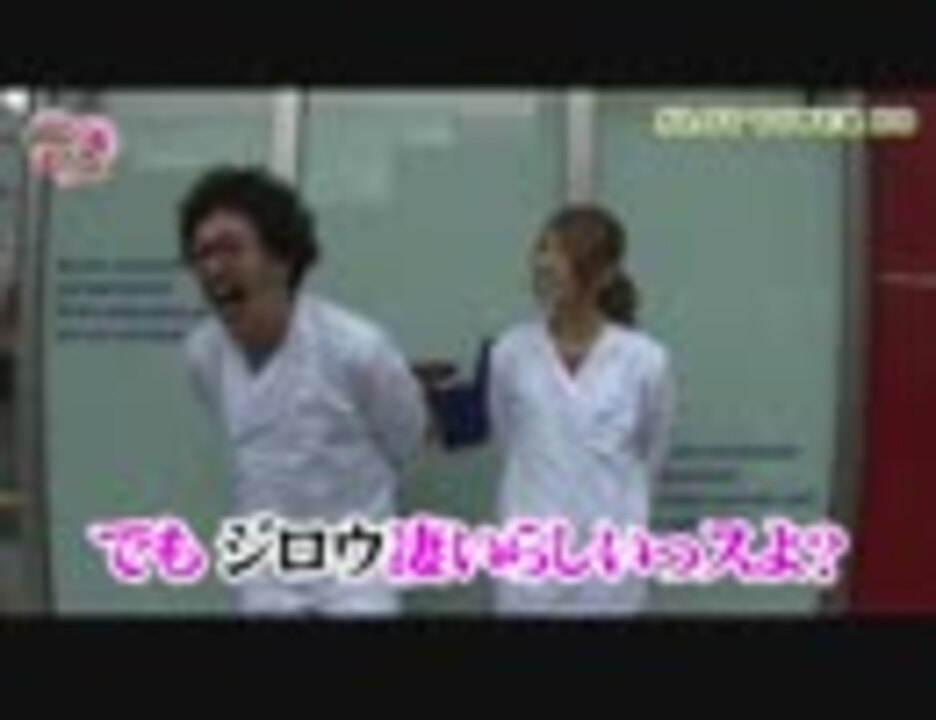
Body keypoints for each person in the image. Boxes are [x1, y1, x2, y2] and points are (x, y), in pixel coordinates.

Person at [178, 166, 428, 617]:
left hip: (356, 581)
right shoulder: (204, 354)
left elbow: (406, 440)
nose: (213, 267)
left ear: (282, 258)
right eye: (202, 254)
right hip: (264, 578)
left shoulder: (358, 349)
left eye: (231, 248)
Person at [487, 204, 676, 616]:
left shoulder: (645, 360)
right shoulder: (510, 352)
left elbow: (651, 456)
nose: (545, 263)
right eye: (542, 249)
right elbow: (509, 442)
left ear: (604, 273)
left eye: (561, 253)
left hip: (609, 567)